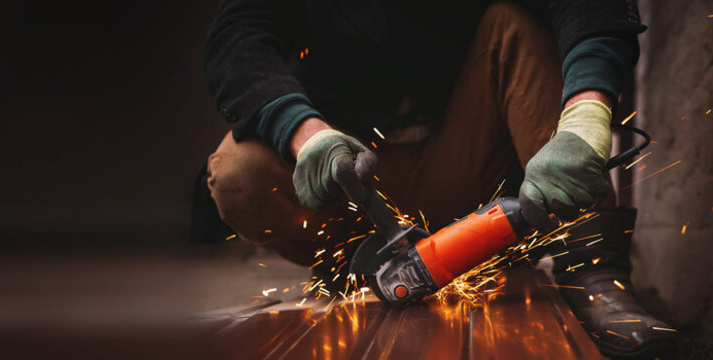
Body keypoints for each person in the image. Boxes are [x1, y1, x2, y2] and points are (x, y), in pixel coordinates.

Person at [196, 0, 676, 358]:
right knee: (238, 173)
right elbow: (239, 34)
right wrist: (305, 133)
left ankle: (595, 273)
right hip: (350, 177)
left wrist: (586, 115)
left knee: (514, 25)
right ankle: (357, 272)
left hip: (469, 157)